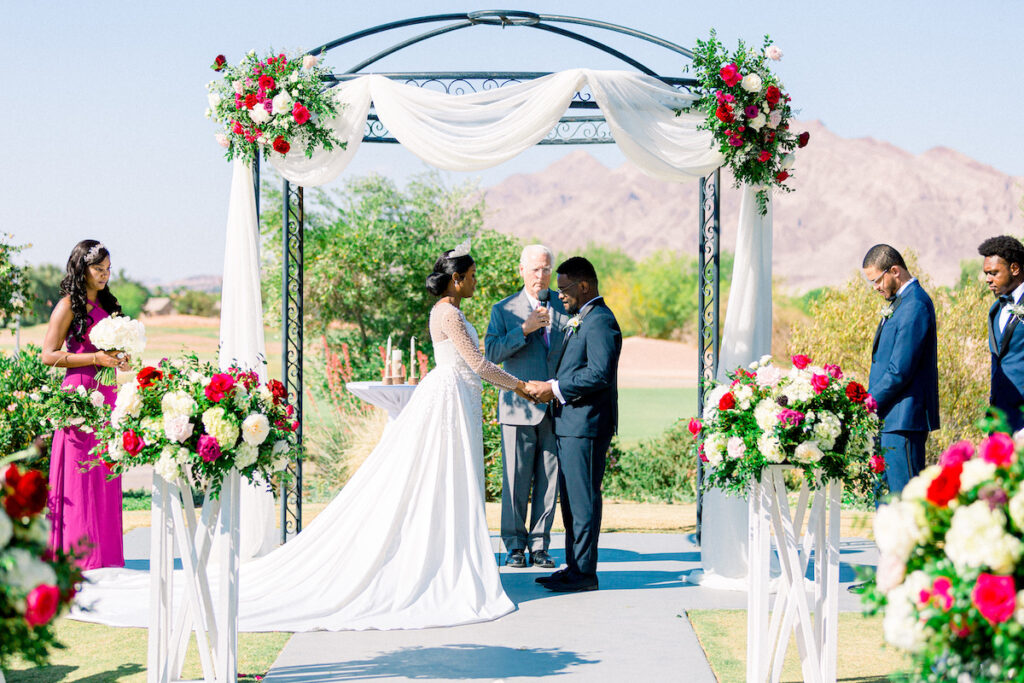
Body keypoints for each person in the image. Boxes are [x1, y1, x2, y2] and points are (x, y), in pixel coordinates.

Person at [74, 240, 535, 631]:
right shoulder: (449, 315)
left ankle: (446, 554)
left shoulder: (446, 310)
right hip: (450, 397)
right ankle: (444, 562)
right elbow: (478, 364)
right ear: (457, 280)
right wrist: (522, 386)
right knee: (440, 476)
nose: (476, 282)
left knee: (443, 480)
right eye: (472, 275)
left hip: (453, 398)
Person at [527, 257, 621, 593]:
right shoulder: (583, 319)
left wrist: (553, 388)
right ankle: (574, 567)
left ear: (584, 286)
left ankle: (584, 574)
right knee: (571, 501)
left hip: (587, 425)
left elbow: (599, 373)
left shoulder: (600, 322)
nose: (560, 295)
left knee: (583, 502)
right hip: (570, 423)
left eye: (564, 289)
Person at [41, 240, 130, 570]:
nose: (105, 275)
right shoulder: (68, 305)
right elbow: (47, 355)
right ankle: (79, 560)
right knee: (81, 478)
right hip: (78, 398)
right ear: (82, 269)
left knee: (106, 472)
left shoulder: (110, 305)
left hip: (107, 397)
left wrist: (120, 360)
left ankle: (106, 557)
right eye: (98, 269)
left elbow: (112, 354)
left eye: (108, 269)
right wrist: (94, 357)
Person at [485, 244, 567, 569]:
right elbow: (490, 353)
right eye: (535, 269)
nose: (541, 275)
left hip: (555, 408)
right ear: (521, 270)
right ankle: (515, 546)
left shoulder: (565, 307)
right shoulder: (503, 310)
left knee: (549, 480)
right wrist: (524, 329)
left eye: (546, 269)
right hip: (517, 407)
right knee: (515, 480)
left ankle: (540, 546)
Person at [862, 244, 939, 497]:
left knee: (904, 500)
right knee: (884, 498)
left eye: (876, 280)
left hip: (904, 420)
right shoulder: (899, 303)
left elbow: (900, 370)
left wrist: (867, 404)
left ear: (894, 270)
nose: (875, 287)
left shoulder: (915, 304)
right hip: (888, 418)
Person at [979, 235, 1024, 431]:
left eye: (994, 273)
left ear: (1014, 269)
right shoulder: (995, 310)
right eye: (986, 273)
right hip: (999, 416)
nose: (988, 279)